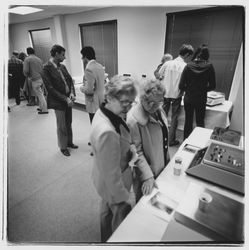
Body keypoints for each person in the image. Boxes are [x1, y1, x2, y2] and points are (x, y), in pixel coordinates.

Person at [90, 75, 137, 242]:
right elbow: (112, 175)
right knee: (120, 224)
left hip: (102, 178)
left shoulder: (103, 111)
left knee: (106, 213)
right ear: (109, 97)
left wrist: (127, 148)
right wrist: (124, 197)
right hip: (114, 184)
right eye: (124, 101)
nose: (128, 106)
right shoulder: (107, 131)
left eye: (131, 102)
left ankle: (105, 239)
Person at [127, 78, 170, 201]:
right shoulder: (133, 120)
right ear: (142, 98)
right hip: (145, 173)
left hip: (160, 163)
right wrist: (148, 176)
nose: (152, 106)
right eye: (149, 101)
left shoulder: (159, 110)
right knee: (144, 203)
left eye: (158, 102)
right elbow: (136, 152)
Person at [41, 44, 78, 157]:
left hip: (67, 99)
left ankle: (69, 142)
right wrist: (65, 98)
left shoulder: (62, 67)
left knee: (68, 122)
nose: (64, 57)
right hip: (58, 101)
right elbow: (50, 89)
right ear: (56, 54)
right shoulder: (46, 68)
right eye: (63, 54)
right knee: (61, 125)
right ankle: (63, 147)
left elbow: (70, 80)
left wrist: (71, 93)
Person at [159, 44, 194, 146]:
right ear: (187, 54)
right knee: (174, 118)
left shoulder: (167, 63)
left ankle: (161, 138)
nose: (190, 58)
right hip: (177, 96)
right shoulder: (185, 66)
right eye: (189, 55)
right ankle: (170, 141)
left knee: (162, 116)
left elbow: (159, 76)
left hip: (165, 94)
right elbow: (186, 83)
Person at [179, 44, 216, 139]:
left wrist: (190, 89)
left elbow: (181, 85)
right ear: (207, 55)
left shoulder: (188, 66)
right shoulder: (209, 66)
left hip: (189, 98)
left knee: (188, 121)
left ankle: (185, 142)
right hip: (201, 98)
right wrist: (203, 89)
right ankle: (199, 143)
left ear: (196, 53)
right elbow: (213, 86)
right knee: (200, 122)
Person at [80, 46, 105, 124]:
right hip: (102, 100)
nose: (82, 59)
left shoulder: (89, 69)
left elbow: (89, 90)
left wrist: (81, 88)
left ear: (86, 56)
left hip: (93, 102)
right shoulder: (100, 66)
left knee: (95, 124)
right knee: (101, 124)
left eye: (82, 56)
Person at [23, 47, 48, 114]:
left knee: (40, 95)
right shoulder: (39, 59)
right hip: (42, 78)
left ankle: (45, 109)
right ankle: (41, 107)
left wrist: (27, 76)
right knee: (40, 93)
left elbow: (26, 70)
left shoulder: (27, 59)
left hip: (35, 79)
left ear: (27, 52)